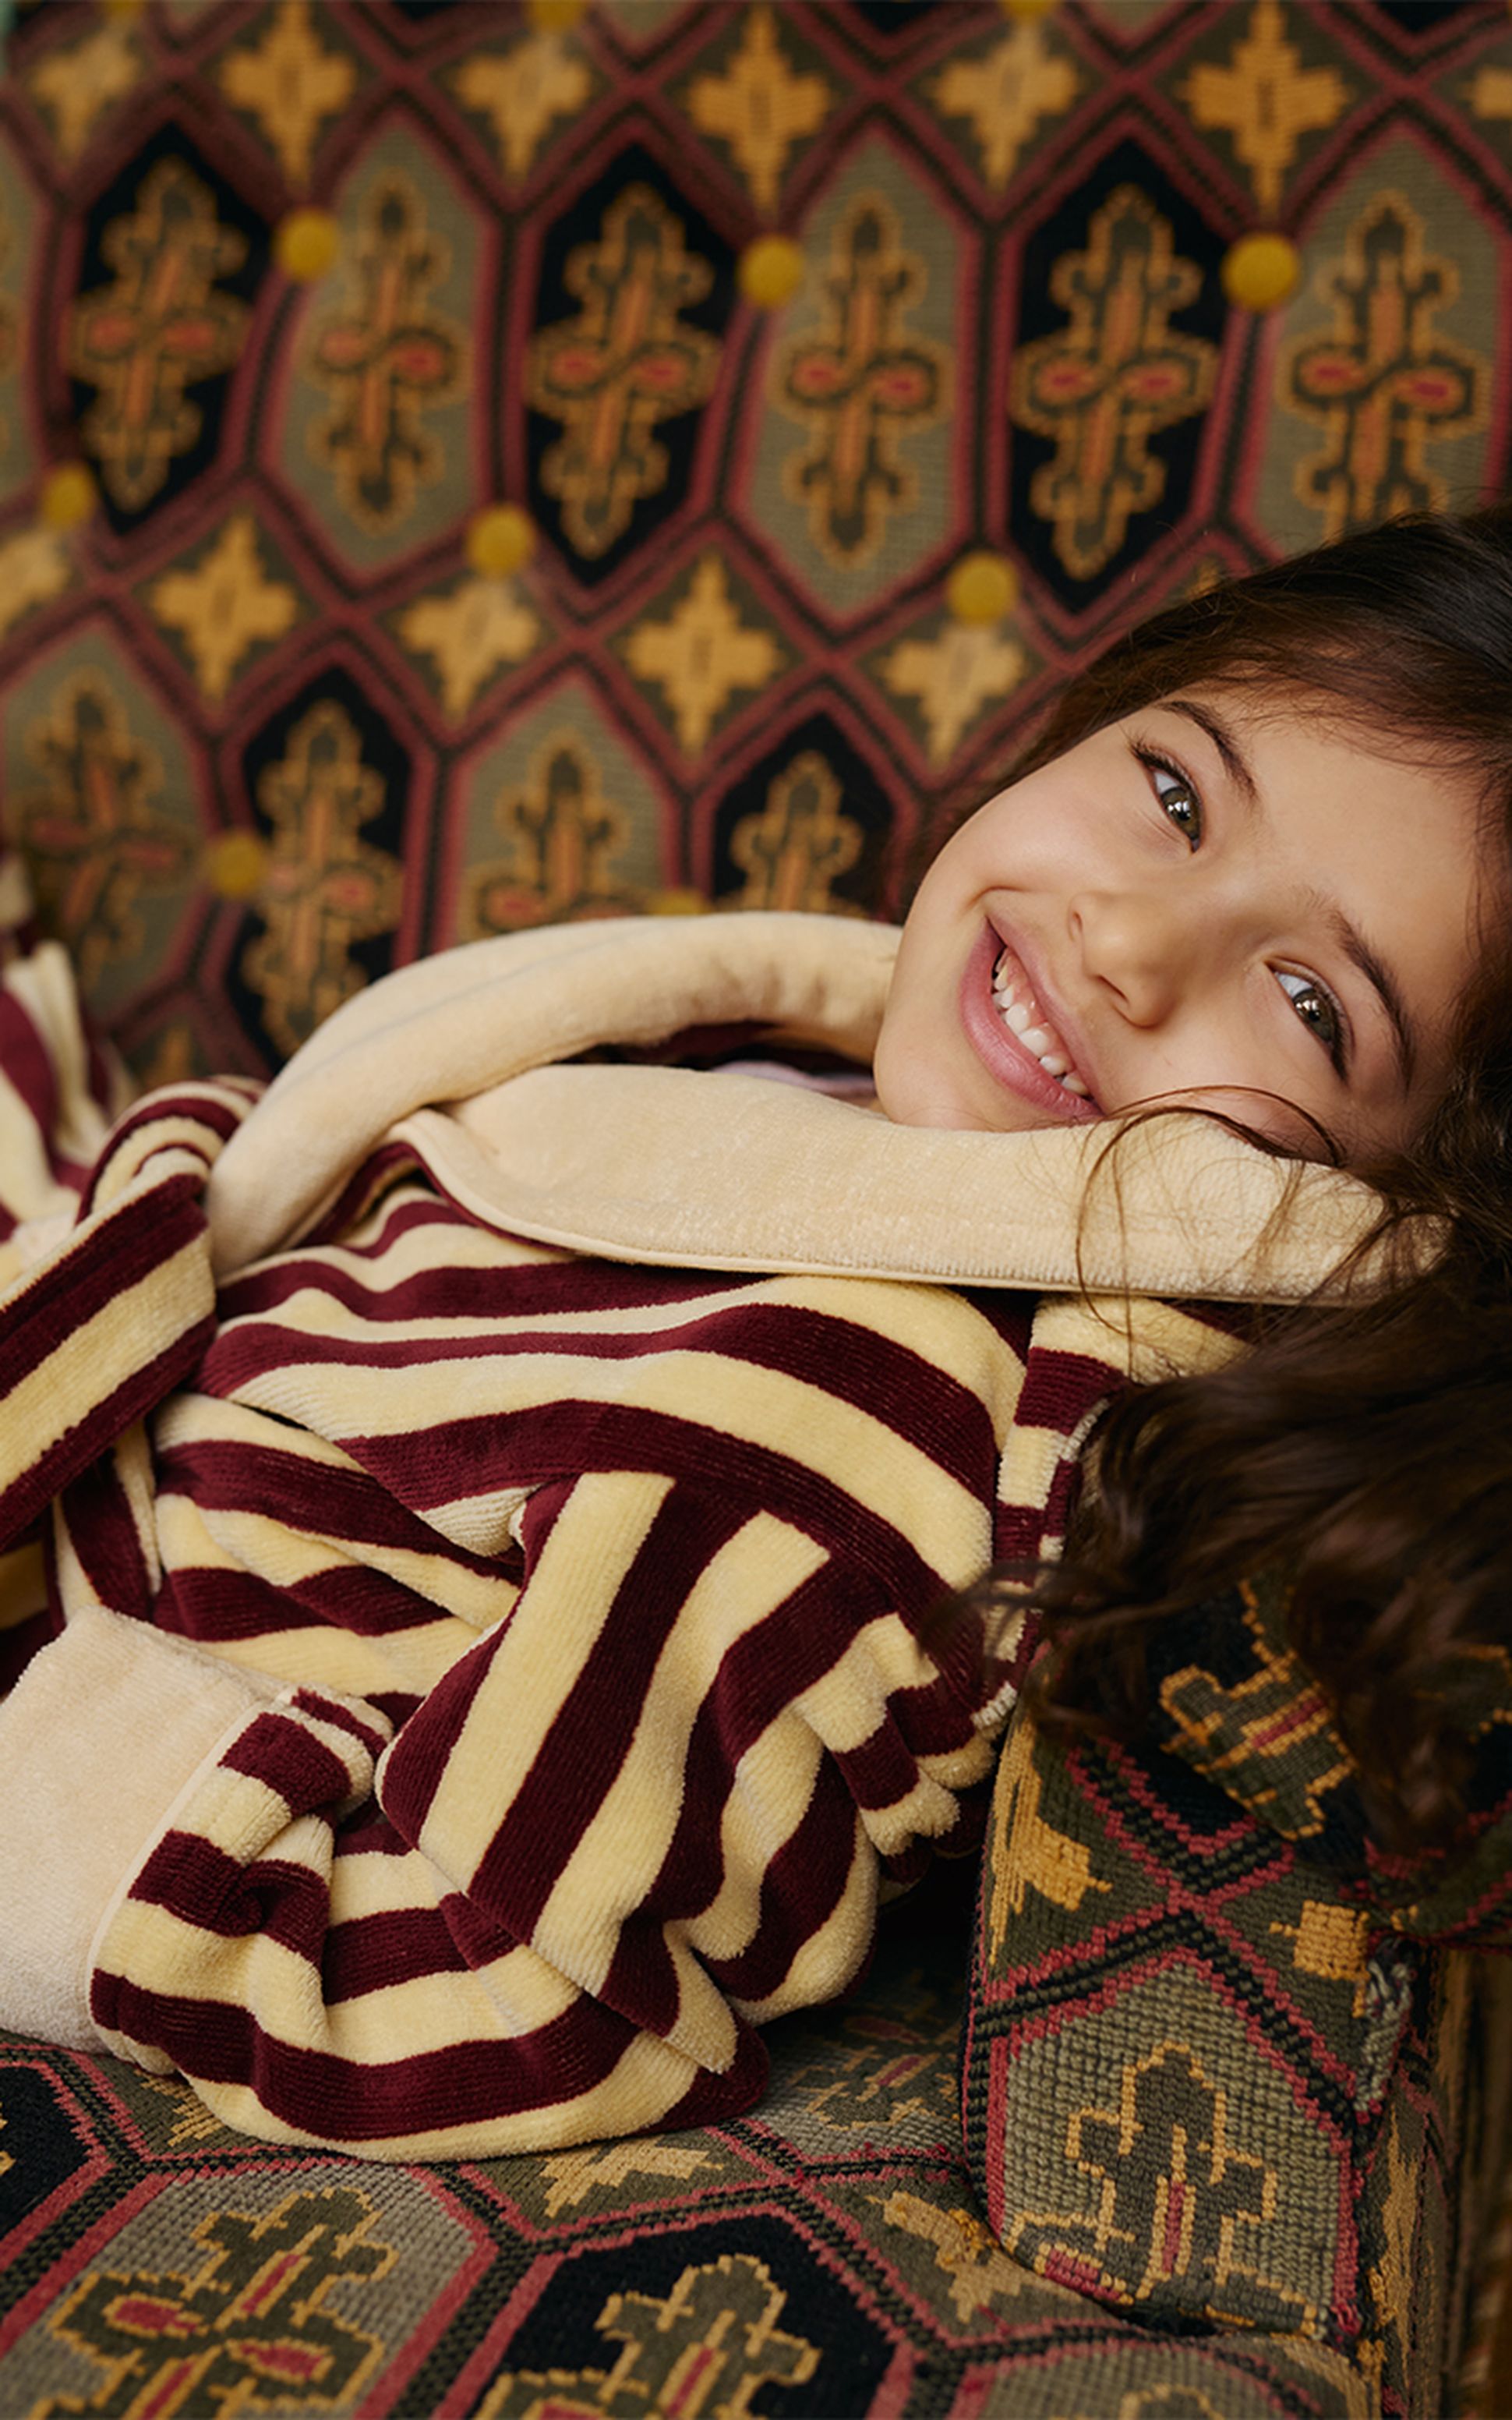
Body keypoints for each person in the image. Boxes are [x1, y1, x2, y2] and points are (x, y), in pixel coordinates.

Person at [0, 505, 1509, 2160]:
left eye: (1310, 1003)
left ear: (1399, 1209)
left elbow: (495, 1982)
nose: (1128, 943)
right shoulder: (863, 1090)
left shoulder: (850, 1426)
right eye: (1171, 794)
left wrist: (57, 1784)